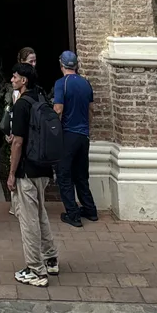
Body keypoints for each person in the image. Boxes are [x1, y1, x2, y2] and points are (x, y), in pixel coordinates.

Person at [6, 62, 61, 287]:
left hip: (27, 169)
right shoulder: (41, 99)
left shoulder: (21, 105)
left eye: (15, 76)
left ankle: (36, 270)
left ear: (24, 80)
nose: (12, 79)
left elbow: (18, 142)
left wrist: (11, 173)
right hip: (43, 166)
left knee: (28, 220)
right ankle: (51, 258)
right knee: (40, 214)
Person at [53, 50, 98, 226]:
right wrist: (87, 129)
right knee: (81, 174)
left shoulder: (61, 83)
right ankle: (90, 210)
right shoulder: (86, 83)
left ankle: (72, 214)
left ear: (61, 64)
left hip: (68, 134)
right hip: (83, 135)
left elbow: (58, 109)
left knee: (64, 174)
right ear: (76, 65)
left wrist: (54, 132)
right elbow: (91, 109)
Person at [0, 47, 36, 215]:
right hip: (21, 133)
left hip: (32, 134)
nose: (33, 64)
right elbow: (14, 113)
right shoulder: (17, 92)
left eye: (35, 61)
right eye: (30, 61)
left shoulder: (35, 88)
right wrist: (11, 132)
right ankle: (17, 205)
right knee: (16, 161)